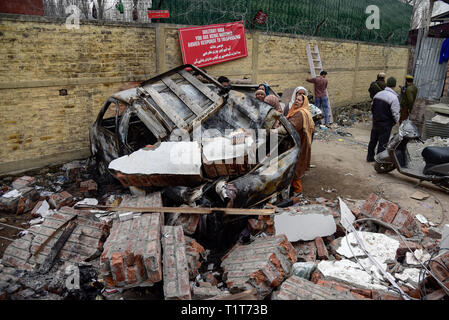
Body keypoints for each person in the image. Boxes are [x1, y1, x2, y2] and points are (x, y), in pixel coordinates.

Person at [272, 92, 314, 194]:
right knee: (293, 166)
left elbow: (290, 127)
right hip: (298, 142)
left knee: (295, 166)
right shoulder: (300, 111)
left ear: (304, 103)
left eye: (299, 100)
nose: (296, 101)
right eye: (296, 99)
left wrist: (275, 131)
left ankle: (297, 191)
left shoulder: (301, 113)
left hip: (298, 144)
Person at [367, 77, 400, 162]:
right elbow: (395, 113)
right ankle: (379, 160)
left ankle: (370, 158)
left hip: (376, 121)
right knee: (383, 143)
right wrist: (395, 122)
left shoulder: (378, 94)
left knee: (373, 141)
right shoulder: (394, 98)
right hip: (386, 124)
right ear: (394, 86)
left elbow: (372, 107)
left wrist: (375, 117)